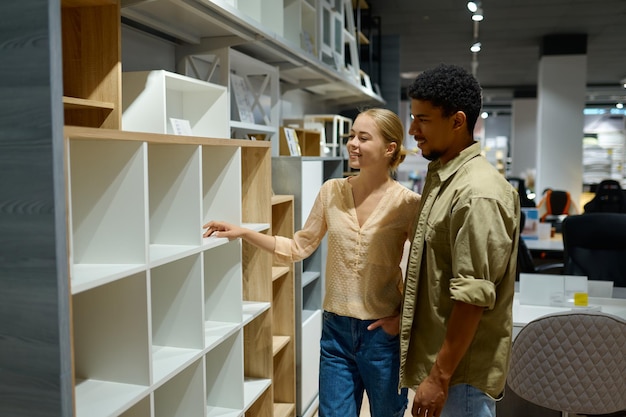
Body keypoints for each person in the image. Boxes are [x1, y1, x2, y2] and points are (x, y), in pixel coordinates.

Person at [203, 108, 420, 417]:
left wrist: (402, 321)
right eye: (351, 136)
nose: (352, 144)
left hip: (381, 336)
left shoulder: (408, 204)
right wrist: (243, 233)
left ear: (390, 148)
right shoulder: (332, 192)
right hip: (336, 333)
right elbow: (298, 246)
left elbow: (424, 270)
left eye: (363, 137)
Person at [399, 64, 520, 417]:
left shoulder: (476, 193)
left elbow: (473, 298)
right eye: (412, 118)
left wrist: (439, 377)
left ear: (457, 121)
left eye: (423, 120)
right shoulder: (444, 179)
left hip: (458, 381)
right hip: (447, 372)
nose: (412, 130)